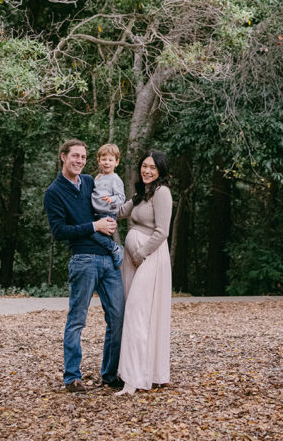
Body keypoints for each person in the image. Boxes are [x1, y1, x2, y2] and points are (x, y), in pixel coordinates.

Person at [44, 138, 125, 393]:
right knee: (77, 319)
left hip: (108, 258)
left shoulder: (90, 182)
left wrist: (107, 223)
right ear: (63, 156)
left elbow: (106, 207)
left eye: (82, 157)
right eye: (75, 156)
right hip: (83, 259)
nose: (79, 161)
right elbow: (59, 231)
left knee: (118, 318)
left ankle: (110, 374)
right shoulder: (54, 192)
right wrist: (94, 226)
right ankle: (72, 377)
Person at [116, 149, 173, 395]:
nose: (147, 170)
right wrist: (101, 193)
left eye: (152, 167)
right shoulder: (141, 193)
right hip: (133, 260)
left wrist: (140, 254)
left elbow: (162, 232)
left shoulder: (162, 193)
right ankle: (145, 372)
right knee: (135, 312)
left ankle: (133, 379)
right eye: (144, 166)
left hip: (150, 257)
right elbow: (119, 212)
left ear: (160, 170)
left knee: (137, 313)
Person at [91, 142, 126, 268]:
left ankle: (115, 248)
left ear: (116, 162)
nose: (107, 162)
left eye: (110, 160)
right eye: (104, 159)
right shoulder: (98, 178)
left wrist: (112, 199)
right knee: (89, 233)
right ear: (99, 161)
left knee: (92, 233)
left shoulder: (115, 179)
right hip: (95, 213)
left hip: (107, 214)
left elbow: (121, 197)